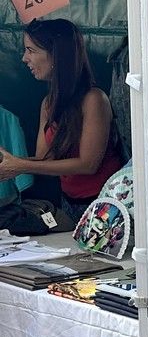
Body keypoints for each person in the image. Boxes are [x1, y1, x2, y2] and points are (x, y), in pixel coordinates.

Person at [0, 18, 124, 220]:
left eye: (31, 50)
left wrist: (20, 166)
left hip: (104, 204)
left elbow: (88, 164)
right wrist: (9, 162)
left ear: (56, 55)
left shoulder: (94, 99)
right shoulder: (48, 104)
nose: (24, 58)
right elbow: (44, 159)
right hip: (69, 202)